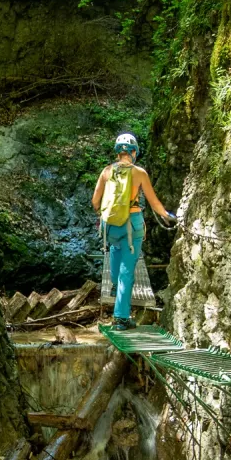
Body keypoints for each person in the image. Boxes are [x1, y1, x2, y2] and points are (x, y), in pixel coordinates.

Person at [90, 133, 175, 331]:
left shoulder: (106, 171)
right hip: (132, 225)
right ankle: (121, 318)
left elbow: (95, 202)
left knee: (115, 257)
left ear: (118, 152)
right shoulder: (139, 173)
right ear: (133, 152)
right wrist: (168, 216)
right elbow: (154, 204)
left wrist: (107, 213)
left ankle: (115, 290)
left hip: (110, 226)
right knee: (127, 272)